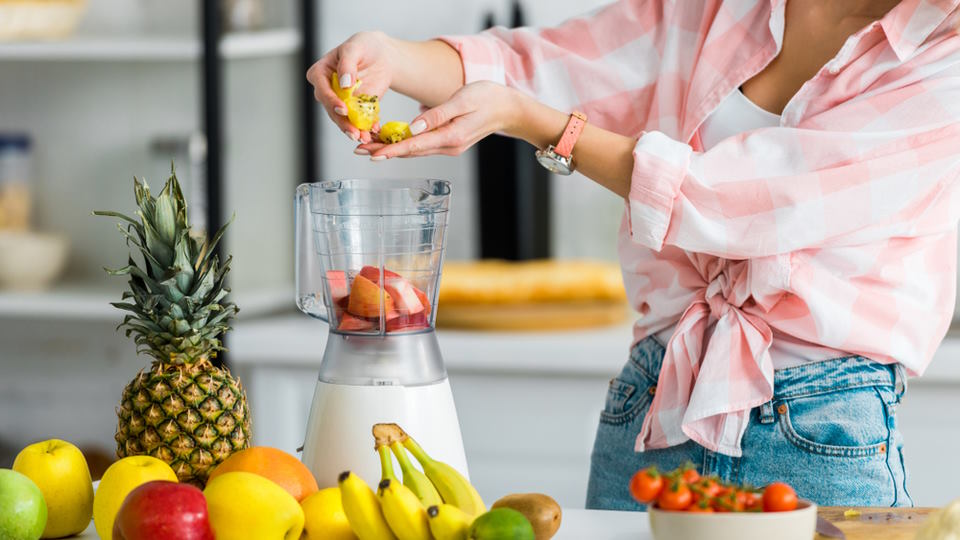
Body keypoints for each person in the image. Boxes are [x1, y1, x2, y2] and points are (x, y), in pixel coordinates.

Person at [307, 0, 960, 509]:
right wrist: (390, 58)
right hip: (654, 399)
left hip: (819, 428)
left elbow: (744, 201)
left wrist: (545, 126)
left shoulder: (946, 55)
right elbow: (549, 66)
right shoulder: (716, 9)